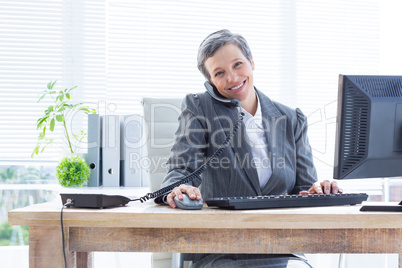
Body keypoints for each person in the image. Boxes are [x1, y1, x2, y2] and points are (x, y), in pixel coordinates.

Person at [160, 29, 342, 268]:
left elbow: (304, 190)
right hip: (221, 252)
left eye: (238, 64)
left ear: (252, 62)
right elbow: (180, 169)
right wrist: (178, 188)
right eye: (219, 73)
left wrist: (320, 192)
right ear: (210, 82)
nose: (233, 78)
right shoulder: (200, 108)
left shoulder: (291, 119)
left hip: (282, 252)